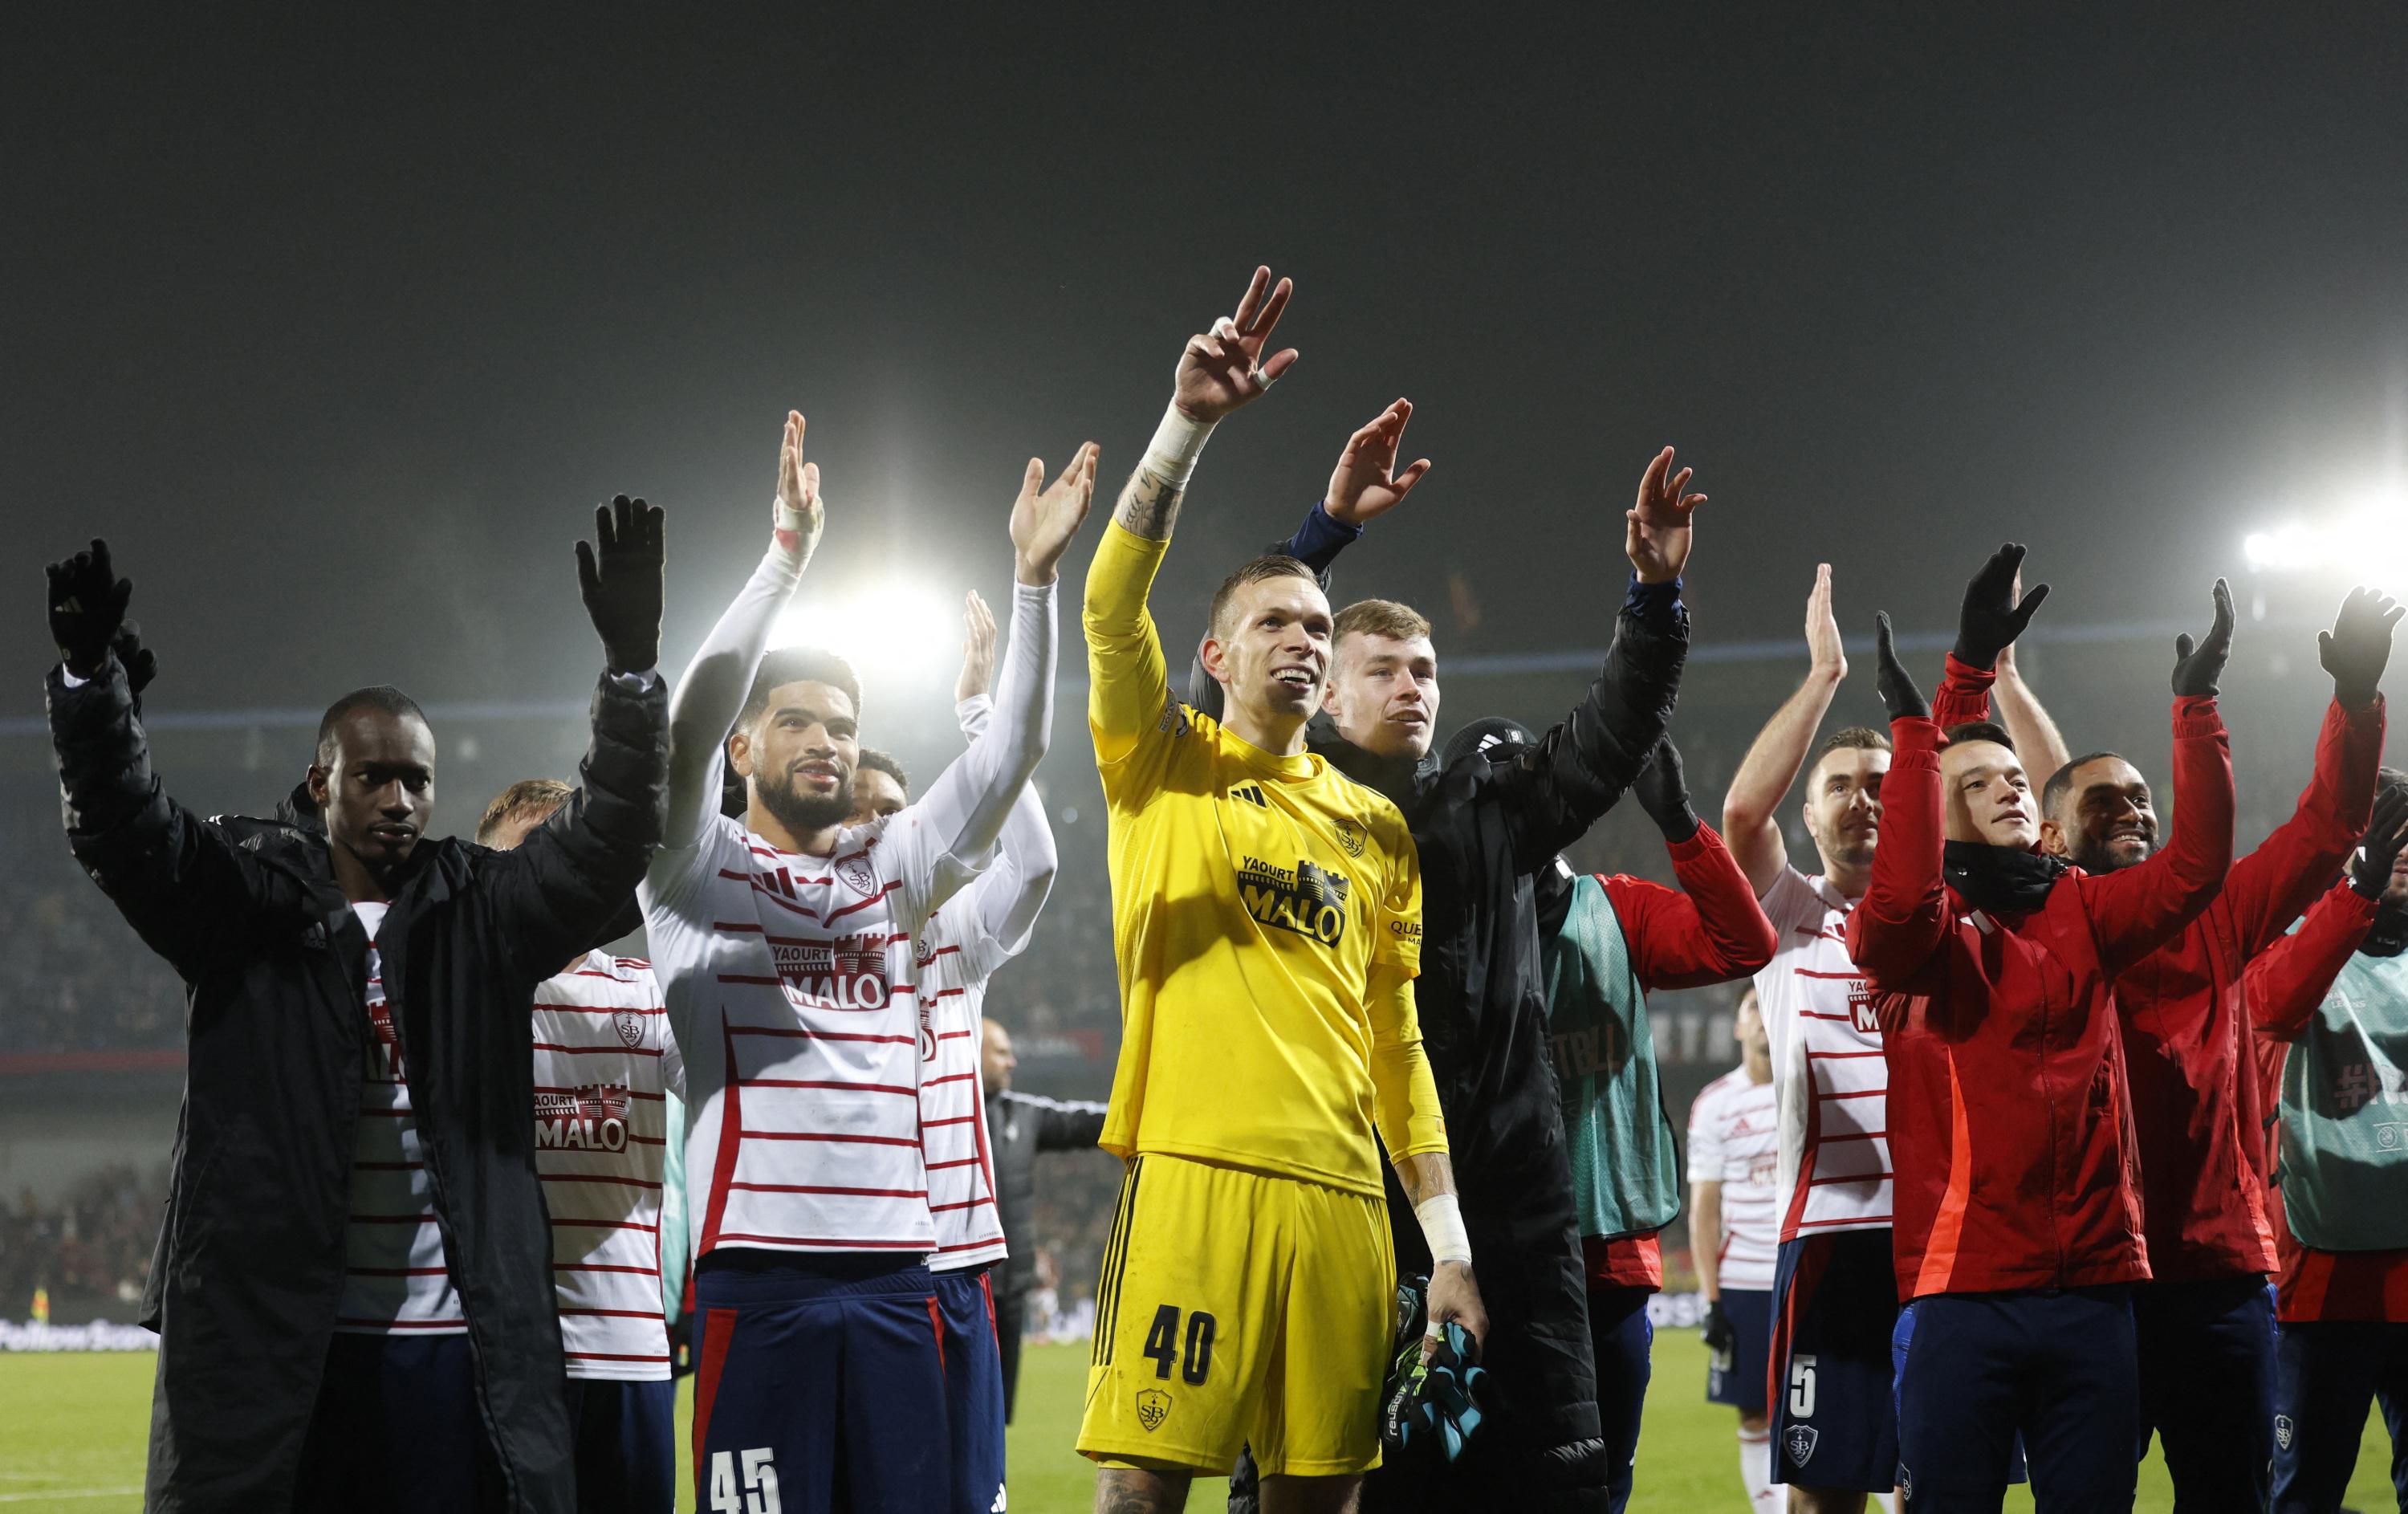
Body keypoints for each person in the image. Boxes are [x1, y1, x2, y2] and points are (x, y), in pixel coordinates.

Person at [43, 502, 673, 1512]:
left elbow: (606, 849)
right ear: (318, 782)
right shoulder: (243, 899)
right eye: (373, 776)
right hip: (281, 1352)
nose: (397, 800)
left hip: (453, 1351)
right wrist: (90, 690)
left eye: (416, 780)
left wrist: (633, 672)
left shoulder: (485, 906)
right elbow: (126, 833)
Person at [1076, 265, 1480, 1512]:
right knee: (1147, 1487)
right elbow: (1107, 605)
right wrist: (1186, 425)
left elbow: (1395, 1042)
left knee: (1324, 1495)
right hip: (1195, 1173)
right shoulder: (1161, 760)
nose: (1304, 639)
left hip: (1348, 1201)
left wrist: (1450, 1246)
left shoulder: (1376, 826)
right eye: (1276, 624)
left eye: (1318, 625)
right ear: (1215, 656)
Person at [644, 413, 1090, 1514]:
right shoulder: (693, 872)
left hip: (903, 1278)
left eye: (844, 724)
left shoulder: (894, 873)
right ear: (746, 751)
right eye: (796, 719)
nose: (829, 740)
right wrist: (781, 562)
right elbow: (688, 725)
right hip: (759, 1281)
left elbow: (1011, 763)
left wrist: (1033, 585)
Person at [1927, 551, 2397, 1508]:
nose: (2135, 807)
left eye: (2145, 795)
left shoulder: (2215, 918)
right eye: (2106, 799)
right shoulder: (2009, 928)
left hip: (2213, 1272)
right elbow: (1947, 800)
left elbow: (2327, 822)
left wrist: (2355, 695)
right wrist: (1967, 670)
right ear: (2050, 834)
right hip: (2082, 1279)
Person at [1303, 435, 1701, 1512]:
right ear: (1324, 694)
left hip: (1517, 1220)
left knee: (1546, 1488)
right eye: (1381, 668)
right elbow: (1230, 672)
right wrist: (1323, 539)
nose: (1411, 686)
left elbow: (1609, 737)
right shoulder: (1275, 811)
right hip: (1346, 1200)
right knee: (1339, 1487)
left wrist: (1654, 599)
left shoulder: (1489, 810)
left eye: (1425, 670)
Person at [1849, 579, 2238, 1510]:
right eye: (1977, 787)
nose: (2008, 790)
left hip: (2097, 1291)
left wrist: (2196, 710)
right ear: (1937, 813)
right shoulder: (1919, 932)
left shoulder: (2084, 908)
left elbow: (2194, 866)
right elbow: (1903, 895)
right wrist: (1923, 731)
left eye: (2015, 778)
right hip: (1962, 1291)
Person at [841, 587, 1064, 1512]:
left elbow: (1037, 863)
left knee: (967, 1498)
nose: (882, 826)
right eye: (860, 811)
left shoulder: (953, 932)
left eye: (898, 809)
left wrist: (979, 715)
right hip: (844, 1259)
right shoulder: (787, 927)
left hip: (955, 1258)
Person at [1718, 564, 1900, 1512]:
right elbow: (1740, 817)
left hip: (1959, 1241)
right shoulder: (1791, 914)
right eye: (1842, 786)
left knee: (1947, 1481)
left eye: (1884, 784)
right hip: (1832, 1238)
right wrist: (1823, 677)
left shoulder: (1959, 915)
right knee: (1827, 1491)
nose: (1865, 799)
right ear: (1812, 813)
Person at [476, 779, 683, 1514]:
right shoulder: (459, 992)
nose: (545, 877)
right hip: (493, 1357)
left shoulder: (647, 994)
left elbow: (734, 1084)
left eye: (560, 854)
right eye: (523, 857)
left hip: (623, 1346)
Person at [2243, 776, 2408, 1512]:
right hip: (2321, 1275)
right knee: (2307, 1492)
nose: (2402, 846)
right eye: (2384, 830)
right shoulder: (2288, 937)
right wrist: (2360, 892)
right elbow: (2273, 1005)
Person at [979, 1017, 1108, 1419]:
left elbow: (1084, 1121)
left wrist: (1150, 1105)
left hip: (1010, 1289)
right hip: (956, 1288)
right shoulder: (937, 1111)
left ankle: (991, 1485)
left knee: (997, 1413)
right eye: (1001, 1051)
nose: (1012, 1061)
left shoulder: (1021, 1114)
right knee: (950, 1410)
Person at [1689, 990, 1780, 1514]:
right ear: (1737, 1029)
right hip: (1744, 1281)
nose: (1765, 1019)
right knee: (1753, 1415)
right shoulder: (1716, 1103)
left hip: (1806, 1273)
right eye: (1753, 1009)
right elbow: (1705, 1207)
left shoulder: (1807, 1087)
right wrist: (1711, 1300)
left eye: (1772, 1007)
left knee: (1838, 1407)